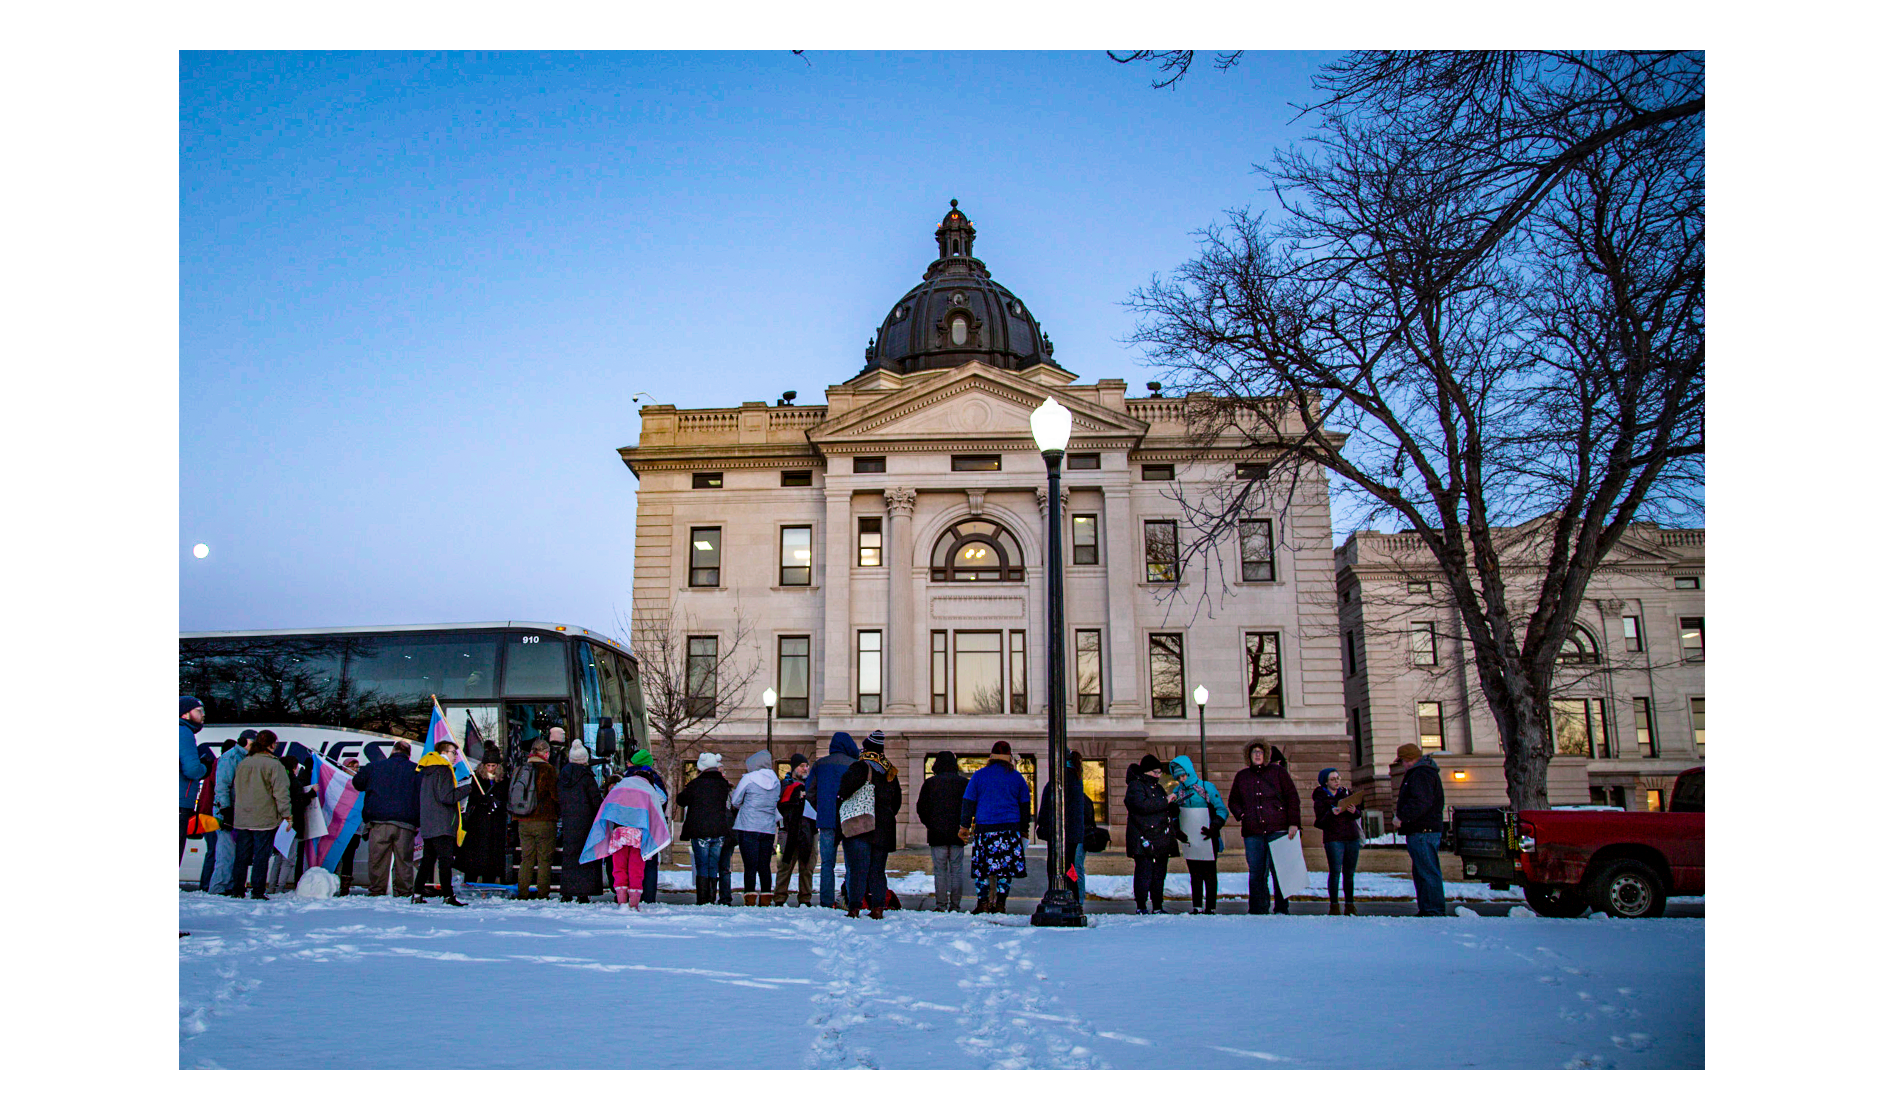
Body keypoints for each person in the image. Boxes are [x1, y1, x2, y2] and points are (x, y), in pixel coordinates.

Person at [580, 767, 672, 910]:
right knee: (636, 869)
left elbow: (607, 806)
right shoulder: (648, 791)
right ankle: (634, 904)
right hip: (637, 836)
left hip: (619, 834)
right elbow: (662, 800)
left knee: (619, 868)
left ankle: (622, 901)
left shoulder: (621, 786)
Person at [1227, 740, 1301, 916]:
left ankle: (1282, 908)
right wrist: (1242, 814)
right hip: (1253, 832)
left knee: (1280, 871)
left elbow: (1292, 798)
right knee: (1257, 872)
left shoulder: (1278, 773)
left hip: (1278, 829)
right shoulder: (1242, 776)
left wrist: (1293, 823)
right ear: (1249, 756)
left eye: (1260, 752)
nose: (1258, 755)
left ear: (1266, 755)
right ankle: (1257, 909)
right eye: (1254, 753)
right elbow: (1233, 801)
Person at [835, 730, 901, 918]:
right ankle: (878, 907)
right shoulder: (890, 771)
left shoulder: (860, 767)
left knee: (858, 869)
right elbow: (896, 802)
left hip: (860, 826)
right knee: (877, 870)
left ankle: (854, 907)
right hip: (884, 830)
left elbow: (843, 791)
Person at [960, 740, 1030, 914]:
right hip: (1010, 828)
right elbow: (1025, 805)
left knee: (982, 868)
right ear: (1009, 758)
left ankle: (983, 902)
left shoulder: (979, 775)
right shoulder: (1016, 777)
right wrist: (1024, 828)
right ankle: (1000, 903)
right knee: (1005, 869)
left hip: (985, 827)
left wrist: (965, 826)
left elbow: (968, 803)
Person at [352, 740, 423, 898]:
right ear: (408, 754)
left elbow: (357, 783)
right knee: (404, 860)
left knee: (378, 859)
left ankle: (377, 890)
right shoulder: (416, 770)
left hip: (379, 821)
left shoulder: (374, 767)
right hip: (406, 822)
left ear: (393, 751)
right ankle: (404, 892)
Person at [226, 730, 291, 899]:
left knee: (241, 855)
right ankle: (257, 891)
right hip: (264, 818)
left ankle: (238, 889)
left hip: (242, 817)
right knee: (261, 856)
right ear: (270, 744)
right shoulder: (274, 765)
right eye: (275, 743)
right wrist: (287, 814)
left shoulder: (244, 763)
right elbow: (281, 792)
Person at [415, 738, 472, 906]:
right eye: (454, 753)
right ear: (444, 753)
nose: (456, 757)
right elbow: (446, 797)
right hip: (442, 823)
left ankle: (417, 893)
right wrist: (466, 788)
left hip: (428, 822)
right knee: (445, 861)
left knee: (427, 860)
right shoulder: (444, 770)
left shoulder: (427, 770)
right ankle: (448, 896)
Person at [806, 732, 860, 908]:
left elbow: (810, 791)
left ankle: (826, 901)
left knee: (827, 863)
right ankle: (851, 899)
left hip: (827, 819)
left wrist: (820, 808)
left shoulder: (820, 764)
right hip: (848, 819)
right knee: (851, 863)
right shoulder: (854, 765)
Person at [1169, 754, 1228, 914]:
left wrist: (1214, 826)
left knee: (1209, 872)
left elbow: (1221, 809)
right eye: (1178, 777)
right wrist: (1177, 830)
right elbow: (1174, 814)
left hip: (1208, 836)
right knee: (1194, 873)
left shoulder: (1205, 787)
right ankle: (1196, 906)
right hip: (1190, 839)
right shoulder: (1177, 792)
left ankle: (1210, 907)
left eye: (1184, 775)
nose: (1182, 779)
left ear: (1189, 772)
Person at [1394, 743, 1447, 916]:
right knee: (1424, 870)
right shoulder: (1426, 771)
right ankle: (1428, 907)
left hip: (1422, 830)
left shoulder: (1420, 774)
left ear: (1408, 759)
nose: (1402, 765)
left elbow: (1420, 802)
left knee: (1426, 871)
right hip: (1426, 829)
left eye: (1403, 761)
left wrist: (1402, 818)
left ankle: (1432, 909)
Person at [1034, 752, 1094, 905]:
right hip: (1073, 834)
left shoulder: (1059, 779)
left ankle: (1059, 895)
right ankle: (1073, 895)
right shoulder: (1076, 778)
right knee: (1071, 867)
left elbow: (1047, 803)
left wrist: (1042, 824)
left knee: (1055, 866)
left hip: (1059, 832)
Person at [675, 751, 734, 905]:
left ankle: (702, 899)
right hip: (719, 830)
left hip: (700, 830)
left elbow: (681, 800)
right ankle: (712, 898)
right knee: (713, 865)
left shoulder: (695, 785)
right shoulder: (723, 785)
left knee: (702, 865)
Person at [1124, 754, 1179, 914]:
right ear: (1146, 772)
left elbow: (1158, 807)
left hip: (1160, 837)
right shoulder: (1136, 786)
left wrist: (1171, 807)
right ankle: (1141, 905)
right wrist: (1165, 802)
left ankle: (1157, 905)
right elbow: (1142, 807)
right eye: (1155, 772)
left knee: (1159, 874)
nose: (1158, 776)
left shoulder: (1158, 788)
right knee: (1144, 872)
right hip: (1143, 837)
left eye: (1160, 772)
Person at [916, 749, 970, 912]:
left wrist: (930, 824)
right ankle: (955, 905)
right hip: (958, 833)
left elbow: (921, 808)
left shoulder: (930, 783)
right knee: (956, 871)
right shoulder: (963, 783)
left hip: (937, 833)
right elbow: (969, 807)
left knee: (940, 872)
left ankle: (941, 905)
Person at [207, 730, 256, 897]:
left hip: (238, 810)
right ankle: (218, 888)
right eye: (252, 743)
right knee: (225, 852)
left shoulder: (246, 758)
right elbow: (222, 785)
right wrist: (226, 810)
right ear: (243, 742)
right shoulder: (230, 758)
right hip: (226, 811)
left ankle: (229, 885)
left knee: (235, 853)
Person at [729, 749, 782, 905]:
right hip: (768, 827)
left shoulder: (749, 778)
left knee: (750, 865)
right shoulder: (776, 781)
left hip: (748, 825)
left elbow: (735, 801)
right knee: (764, 864)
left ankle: (750, 896)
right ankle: (766, 896)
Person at [511, 738, 560, 900]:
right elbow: (555, 795)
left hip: (523, 820)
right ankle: (542, 894)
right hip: (544, 820)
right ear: (546, 753)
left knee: (527, 858)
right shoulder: (548, 770)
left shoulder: (519, 769)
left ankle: (522, 892)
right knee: (544, 859)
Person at [556, 743, 604, 902]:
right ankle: (583, 893)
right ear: (585, 759)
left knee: (569, 856)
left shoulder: (563, 776)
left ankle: (566, 892)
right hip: (586, 822)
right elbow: (596, 801)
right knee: (586, 855)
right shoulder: (587, 777)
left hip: (568, 821)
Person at [621, 748, 668, 903]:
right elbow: (662, 799)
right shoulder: (653, 779)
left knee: (626, 861)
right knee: (648, 860)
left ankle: (626, 896)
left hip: (627, 825)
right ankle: (647, 896)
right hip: (648, 825)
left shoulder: (626, 778)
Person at [1315, 767, 1363, 916]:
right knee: (1335, 872)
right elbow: (1319, 822)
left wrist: (1354, 811)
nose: (1336, 781)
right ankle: (1334, 905)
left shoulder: (1347, 794)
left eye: (1338, 778)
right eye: (1332, 779)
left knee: (1349, 873)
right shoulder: (1321, 798)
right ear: (1326, 782)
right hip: (1334, 839)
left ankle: (1350, 904)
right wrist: (1331, 813)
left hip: (1351, 837)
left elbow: (1358, 814)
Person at [458, 753, 508, 886]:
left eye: (493, 766)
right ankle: (470, 882)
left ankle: (489, 883)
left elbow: (507, 799)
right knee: (474, 855)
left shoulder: (503, 780)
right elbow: (472, 797)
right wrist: (484, 799)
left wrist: (498, 803)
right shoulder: (477, 778)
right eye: (488, 766)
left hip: (495, 823)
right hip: (478, 823)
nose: (490, 769)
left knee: (492, 855)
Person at [774, 754, 815, 906]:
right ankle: (779, 897)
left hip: (808, 831)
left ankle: (805, 898)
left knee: (807, 867)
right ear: (793, 768)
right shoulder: (783, 784)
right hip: (788, 831)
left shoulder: (812, 785)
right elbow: (779, 804)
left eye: (807, 766)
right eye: (802, 766)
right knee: (784, 866)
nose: (805, 769)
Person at [179, 696, 209, 868]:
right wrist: (204, 768)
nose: (203, 715)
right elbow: (191, 770)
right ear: (185, 715)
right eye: (199, 711)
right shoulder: (184, 732)